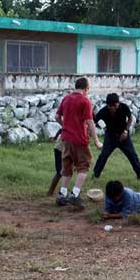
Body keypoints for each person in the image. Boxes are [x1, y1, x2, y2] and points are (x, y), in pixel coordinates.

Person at [55, 77, 103, 208]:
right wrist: (97, 141)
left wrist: (65, 126)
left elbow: (57, 116)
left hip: (66, 138)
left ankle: (62, 194)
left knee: (67, 166)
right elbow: (90, 122)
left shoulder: (66, 99)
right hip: (80, 139)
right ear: (86, 88)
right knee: (84, 165)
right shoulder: (85, 101)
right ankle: (75, 194)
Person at [93, 93, 140, 180]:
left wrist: (126, 131)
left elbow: (130, 118)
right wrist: (102, 127)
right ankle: (95, 174)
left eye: (117, 105)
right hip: (110, 136)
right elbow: (94, 121)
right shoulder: (103, 111)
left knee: (132, 154)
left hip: (123, 135)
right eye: (114, 106)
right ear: (109, 106)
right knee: (104, 155)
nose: (116, 107)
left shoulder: (124, 107)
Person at [47, 128, 63, 196]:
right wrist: (55, 138)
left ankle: (61, 191)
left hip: (61, 147)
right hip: (61, 148)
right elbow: (61, 130)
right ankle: (50, 192)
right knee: (60, 172)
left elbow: (60, 130)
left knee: (63, 172)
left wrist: (55, 138)